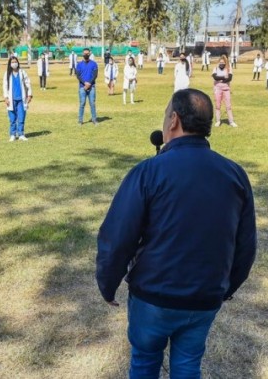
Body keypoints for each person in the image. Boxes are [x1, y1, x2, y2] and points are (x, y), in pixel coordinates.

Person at [96, 89, 257, 378]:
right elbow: (245, 245)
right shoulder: (235, 174)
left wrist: (107, 284)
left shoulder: (148, 172)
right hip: (205, 297)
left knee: (145, 362)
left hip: (153, 297)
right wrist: (226, 288)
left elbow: (117, 237)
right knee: (187, 365)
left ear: (173, 121)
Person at [4, 56, 33, 142]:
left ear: (18, 62)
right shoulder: (7, 74)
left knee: (21, 117)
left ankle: (21, 134)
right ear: (10, 64)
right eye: (12, 62)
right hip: (11, 99)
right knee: (12, 118)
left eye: (15, 62)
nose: (14, 63)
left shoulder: (22, 72)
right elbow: (5, 86)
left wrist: (29, 95)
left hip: (21, 99)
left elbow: (28, 84)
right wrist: (6, 97)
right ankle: (13, 134)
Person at [211, 54, 236, 127]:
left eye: (223, 62)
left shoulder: (228, 68)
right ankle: (218, 121)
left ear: (225, 62)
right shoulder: (215, 68)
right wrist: (223, 77)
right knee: (218, 105)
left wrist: (221, 79)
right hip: (217, 88)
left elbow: (229, 78)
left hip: (226, 89)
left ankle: (231, 121)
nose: (222, 63)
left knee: (228, 105)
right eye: (220, 62)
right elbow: (215, 77)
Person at [76, 48, 98, 125]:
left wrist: (89, 83)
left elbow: (95, 75)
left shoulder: (94, 64)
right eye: (84, 53)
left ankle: (94, 119)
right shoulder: (79, 65)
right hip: (82, 87)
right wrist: (85, 83)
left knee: (92, 103)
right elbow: (78, 76)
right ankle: (80, 120)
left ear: (89, 54)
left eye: (87, 53)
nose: (86, 55)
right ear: (82, 54)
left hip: (92, 86)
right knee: (82, 103)